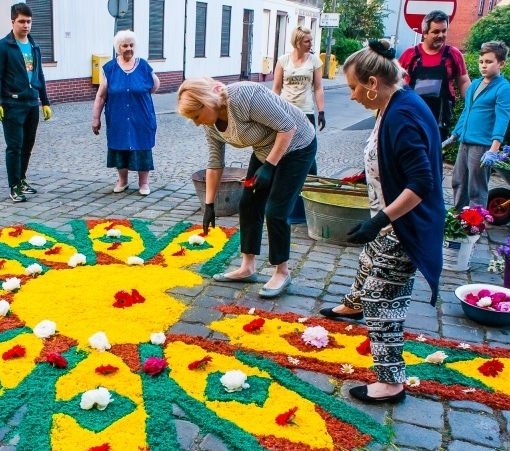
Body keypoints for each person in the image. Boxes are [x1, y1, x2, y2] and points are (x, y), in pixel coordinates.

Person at [321, 40, 444, 403]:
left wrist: (380, 221)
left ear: (373, 82)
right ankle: (354, 303)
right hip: (389, 216)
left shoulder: (402, 115)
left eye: (354, 87)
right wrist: (367, 175)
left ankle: (391, 382)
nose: (353, 96)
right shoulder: (393, 103)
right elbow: (393, 158)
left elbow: (422, 183)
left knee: (384, 301)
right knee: (368, 262)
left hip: (404, 224)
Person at [176, 78, 316, 298]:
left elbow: (288, 128)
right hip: (264, 149)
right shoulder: (211, 125)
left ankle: (282, 271)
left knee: (276, 210)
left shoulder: (245, 96)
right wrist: (209, 205)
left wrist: (269, 167)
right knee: (249, 204)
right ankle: (247, 268)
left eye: (195, 116)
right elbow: (215, 163)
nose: (196, 123)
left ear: (207, 101)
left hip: (297, 145)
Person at [0, 3, 53, 203]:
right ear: (13, 22)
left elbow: (39, 75)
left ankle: (22, 179)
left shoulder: (34, 46)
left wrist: (45, 102)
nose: (26, 25)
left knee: (27, 145)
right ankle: (14, 186)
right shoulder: (3, 46)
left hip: (31, 103)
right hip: (12, 104)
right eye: (22, 21)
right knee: (14, 146)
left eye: (28, 21)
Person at [446, 41, 510, 210]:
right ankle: (459, 218)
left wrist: (494, 149)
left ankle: (475, 224)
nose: (484, 66)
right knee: (458, 181)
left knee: (475, 187)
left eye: (489, 62)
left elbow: (502, 119)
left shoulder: (503, 89)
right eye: (481, 61)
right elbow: (467, 112)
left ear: (501, 64)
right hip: (465, 141)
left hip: (482, 145)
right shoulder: (475, 84)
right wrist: (454, 135)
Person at [92, 30, 160, 196]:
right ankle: (123, 181)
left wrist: (140, 94)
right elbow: (101, 95)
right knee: (119, 145)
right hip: (118, 115)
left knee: (142, 147)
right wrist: (96, 118)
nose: (129, 48)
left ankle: (143, 183)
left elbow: (155, 85)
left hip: (141, 115)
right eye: (125, 45)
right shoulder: (110, 69)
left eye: (131, 45)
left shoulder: (143, 66)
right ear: (118, 48)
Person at [398, 10, 470, 142]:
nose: (441, 35)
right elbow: (395, 83)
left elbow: (463, 81)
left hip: (440, 117)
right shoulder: (410, 54)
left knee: (435, 154)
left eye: (444, 31)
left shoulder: (453, 54)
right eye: (436, 32)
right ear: (425, 33)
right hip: (412, 114)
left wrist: (472, 103)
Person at [272, 26, 325, 176]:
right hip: (286, 111)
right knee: (284, 146)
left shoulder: (314, 61)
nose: (311, 44)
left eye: (311, 41)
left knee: (308, 147)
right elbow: (276, 88)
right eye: (307, 41)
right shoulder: (283, 61)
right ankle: (282, 176)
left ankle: (311, 180)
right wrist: (271, 109)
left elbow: (318, 88)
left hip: (306, 111)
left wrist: (321, 111)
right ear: (297, 42)